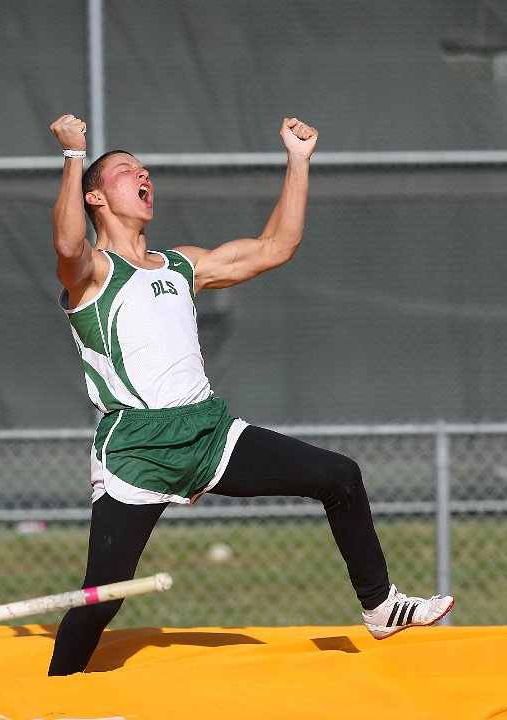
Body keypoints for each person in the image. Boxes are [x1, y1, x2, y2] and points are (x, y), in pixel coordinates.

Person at [46, 113, 454, 676]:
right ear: (95, 195)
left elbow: (275, 246)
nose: (143, 175)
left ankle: (381, 605)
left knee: (339, 476)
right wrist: (72, 155)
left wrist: (299, 161)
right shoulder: (92, 272)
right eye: (124, 170)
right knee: (103, 598)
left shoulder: (181, 265)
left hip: (209, 432)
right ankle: (51, 698)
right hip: (138, 450)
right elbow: (67, 243)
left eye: (144, 170)